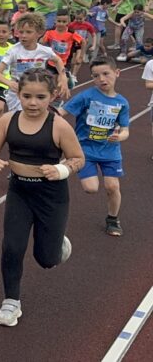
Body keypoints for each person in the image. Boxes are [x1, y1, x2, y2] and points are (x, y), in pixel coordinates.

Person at [0, 68, 85, 327]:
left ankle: (57, 244)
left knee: (47, 259)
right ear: (18, 94)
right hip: (20, 192)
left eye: (40, 97)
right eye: (27, 96)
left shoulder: (58, 125)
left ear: (52, 96)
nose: (33, 103)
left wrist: (61, 170)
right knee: (12, 247)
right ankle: (11, 301)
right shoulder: (7, 120)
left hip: (51, 195)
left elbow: (78, 158)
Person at [57, 58, 130, 236]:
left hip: (110, 151)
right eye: (96, 76)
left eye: (106, 74)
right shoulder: (86, 96)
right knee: (91, 188)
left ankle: (113, 220)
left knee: (112, 187)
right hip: (85, 150)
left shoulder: (122, 103)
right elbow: (61, 113)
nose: (101, 79)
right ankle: (65, 163)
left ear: (117, 73)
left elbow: (125, 130)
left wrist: (119, 136)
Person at [0, 13, 70, 113]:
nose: (23, 36)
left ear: (39, 33)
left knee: (37, 117)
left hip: (38, 90)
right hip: (18, 93)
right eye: (21, 32)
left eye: (28, 32)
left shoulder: (45, 51)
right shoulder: (13, 51)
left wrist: (63, 76)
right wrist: (9, 83)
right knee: (20, 118)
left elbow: (58, 60)